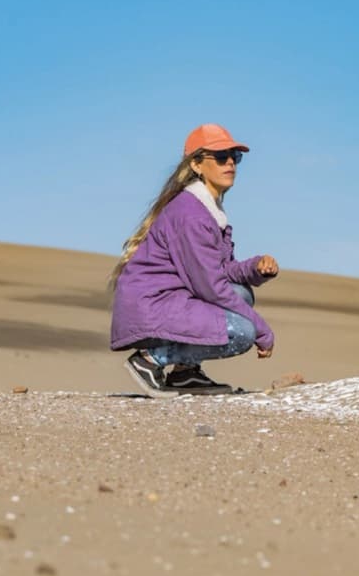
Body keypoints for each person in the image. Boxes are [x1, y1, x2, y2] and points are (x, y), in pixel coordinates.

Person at [109, 123, 278, 397]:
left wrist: (256, 268)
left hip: (171, 301)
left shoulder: (207, 210)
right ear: (197, 164)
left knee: (241, 294)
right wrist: (261, 328)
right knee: (242, 332)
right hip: (154, 306)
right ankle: (150, 360)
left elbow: (220, 271)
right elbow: (210, 286)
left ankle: (185, 373)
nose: (231, 164)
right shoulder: (192, 214)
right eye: (221, 157)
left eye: (235, 157)